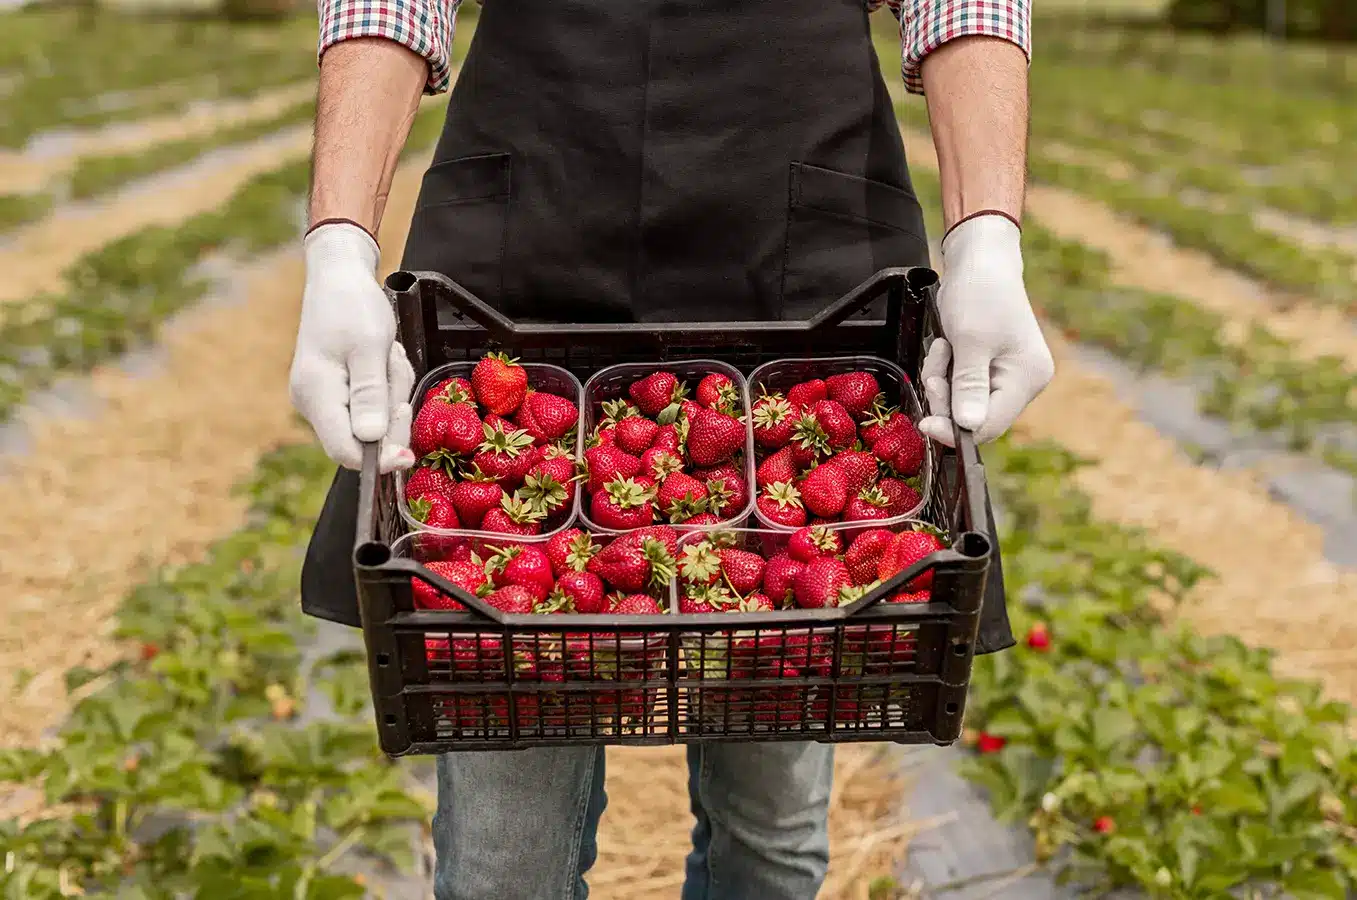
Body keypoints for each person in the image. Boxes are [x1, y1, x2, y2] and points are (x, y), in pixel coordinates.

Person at [288, 0, 1054, 897]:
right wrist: (338, 243)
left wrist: (986, 237)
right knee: (506, 862)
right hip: (534, 219)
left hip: (797, 245)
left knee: (770, 837)